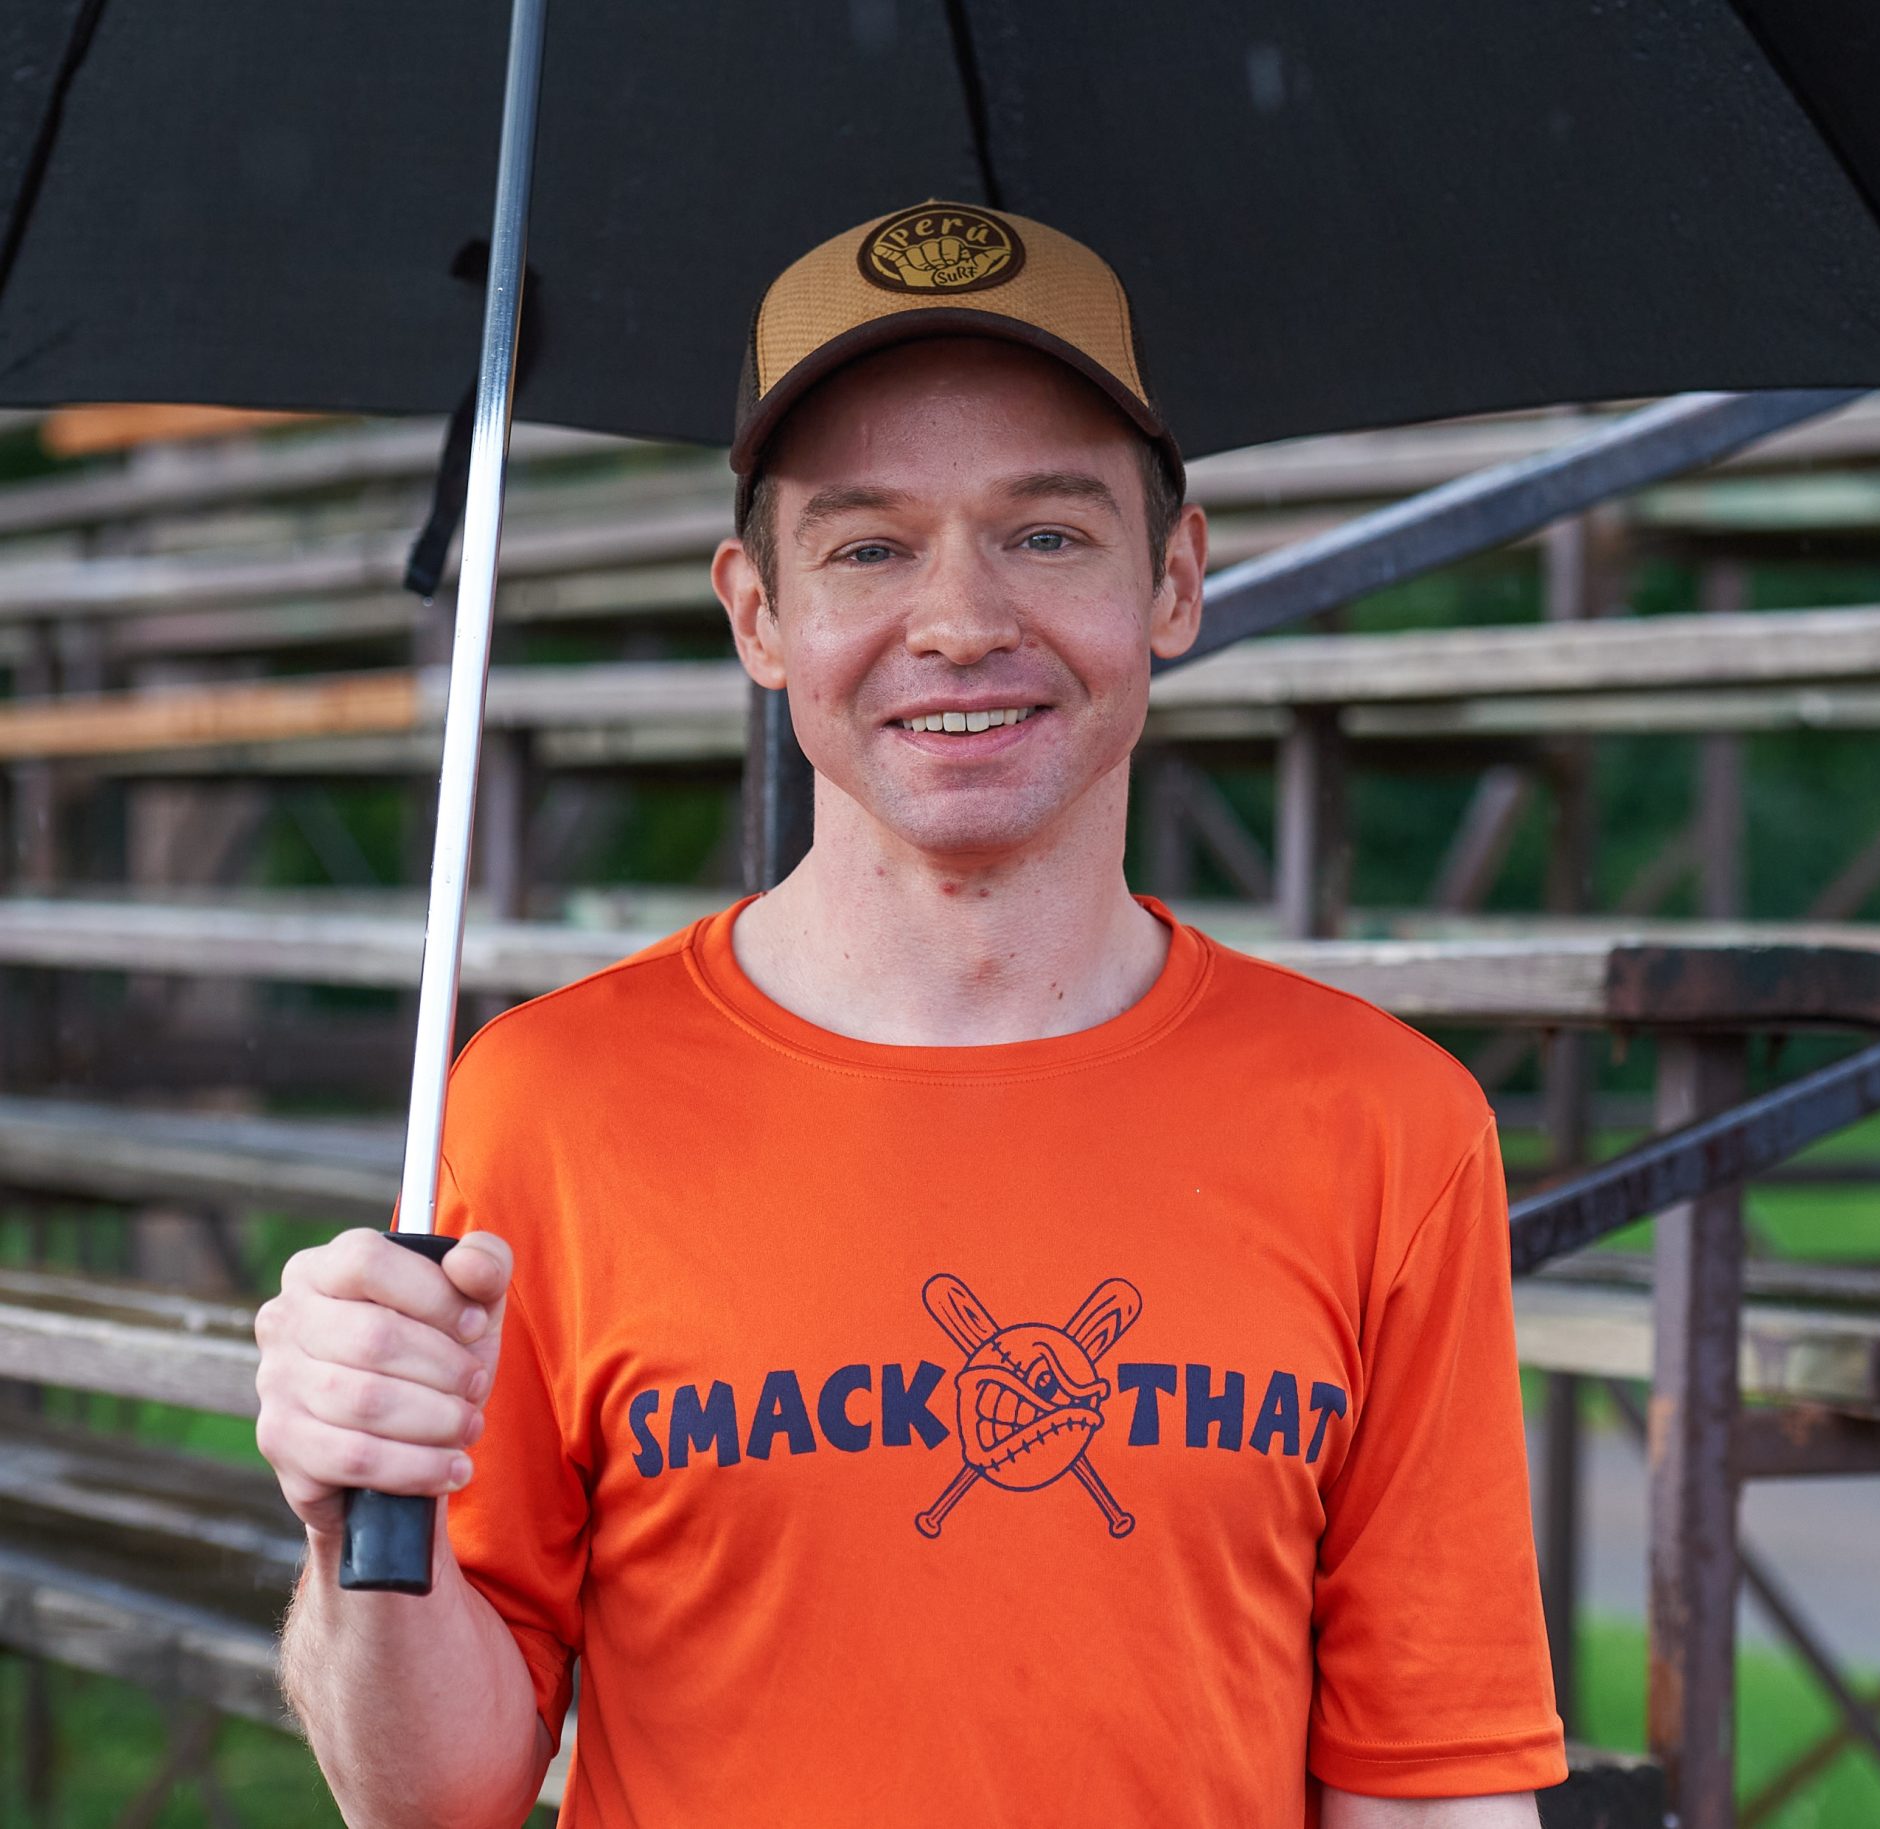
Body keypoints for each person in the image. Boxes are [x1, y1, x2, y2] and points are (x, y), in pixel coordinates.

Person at [255, 201, 1565, 1827]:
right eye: (868, 545)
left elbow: (1432, 1788)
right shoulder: (536, 1110)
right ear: (757, 611)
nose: (958, 618)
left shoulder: (1390, 1127)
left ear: (1173, 579)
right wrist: (347, 1526)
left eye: (1048, 533)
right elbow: (431, 1795)